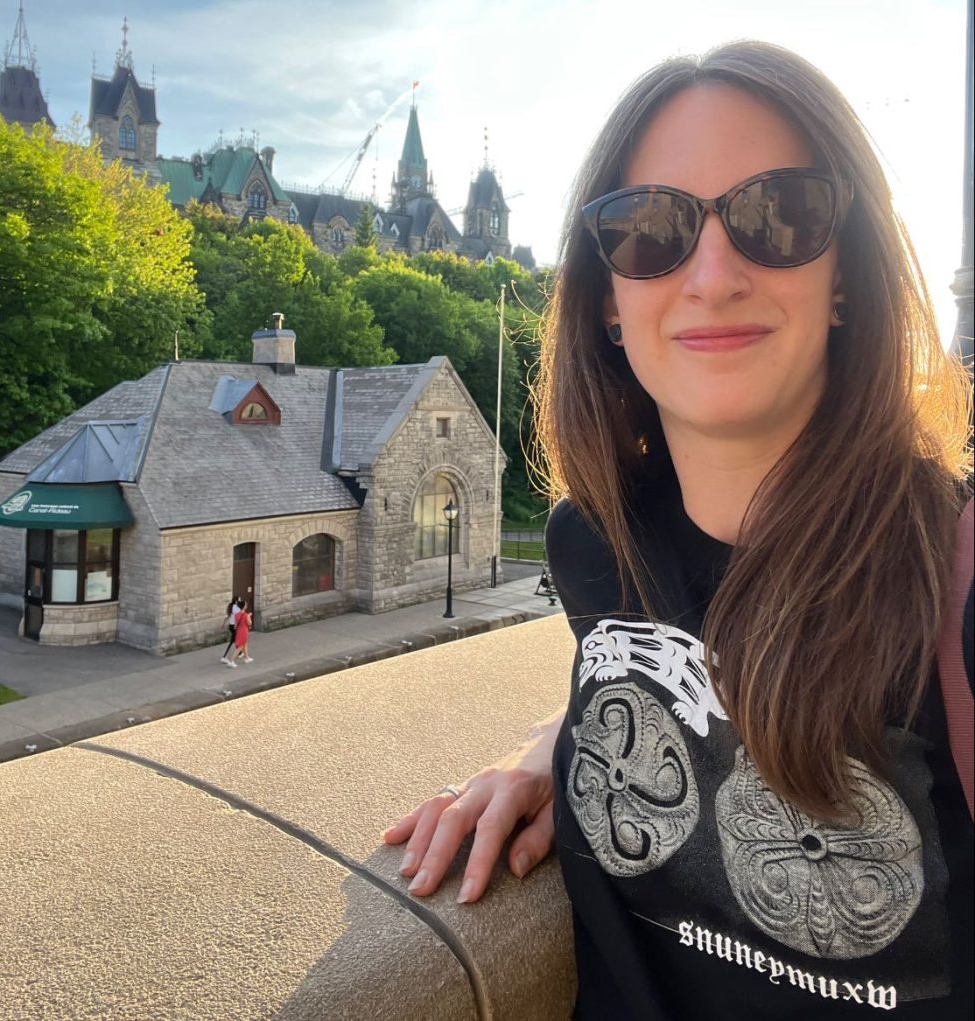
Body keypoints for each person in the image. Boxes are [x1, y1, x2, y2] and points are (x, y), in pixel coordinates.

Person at [384, 41, 973, 1018]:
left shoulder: (950, 580)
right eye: (649, 229)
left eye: (777, 215)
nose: (711, 271)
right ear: (609, 301)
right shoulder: (592, 547)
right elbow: (679, 661)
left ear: (843, 274)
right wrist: (556, 745)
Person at [220, 596, 240, 667]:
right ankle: (224, 657)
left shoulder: (230, 606)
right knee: (233, 641)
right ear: (237, 601)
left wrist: (223, 624)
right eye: (239, 600)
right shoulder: (236, 608)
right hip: (234, 626)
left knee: (236, 639)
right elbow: (238, 617)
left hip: (231, 626)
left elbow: (227, 616)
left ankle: (239, 652)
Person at [233, 597, 253, 664]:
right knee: (241, 646)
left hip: (238, 631)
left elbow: (235, 625)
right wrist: (249, 616)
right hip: (244, 631)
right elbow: (249, 623)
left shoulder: (236, 615)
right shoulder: (245, 615)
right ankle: (231, 661)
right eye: (246, 605)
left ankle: (247, 657)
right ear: (244, 606)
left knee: (244, 644)